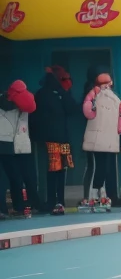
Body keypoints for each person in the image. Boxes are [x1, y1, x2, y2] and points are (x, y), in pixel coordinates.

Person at [33, 66, 77, 214]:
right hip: (56, 138)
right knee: (56, 170)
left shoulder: (48, 93)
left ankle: (56, 201)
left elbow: (71, 109)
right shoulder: (48, 93)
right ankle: (55, 201)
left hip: (56, 138)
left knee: (57, 170)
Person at [81, 70, 121, 211]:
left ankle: (98, 194)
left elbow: (88, 111)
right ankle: (94, 194)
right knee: (98, 167)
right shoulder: (104, 96)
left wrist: (119, 129)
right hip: (104, 138)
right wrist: (119, 130)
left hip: (102, 137)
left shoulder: (97, 95)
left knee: (100, 167)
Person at [0, 78, 37, 217]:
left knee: (2, 179)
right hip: (16, 144)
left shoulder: (5, 100)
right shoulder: (24, 102)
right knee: (16, 177)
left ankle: (2, 209)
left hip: (2, 141)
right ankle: (19, 207)